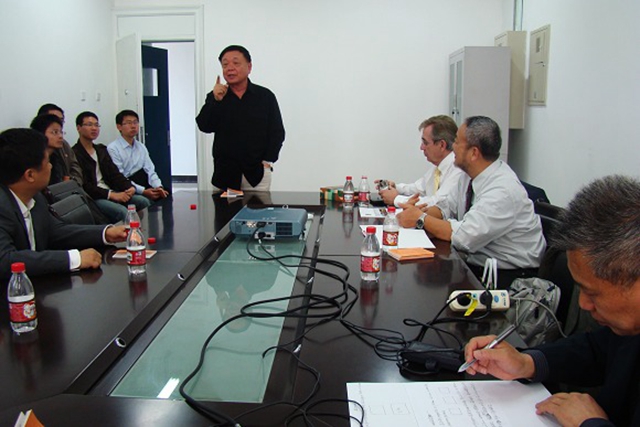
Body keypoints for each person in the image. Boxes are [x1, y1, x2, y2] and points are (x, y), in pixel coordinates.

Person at [462, 175, 640, 427]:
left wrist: (590, 424)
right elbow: (599, 350)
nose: (583, 304)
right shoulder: (628, 327)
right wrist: (528, 363)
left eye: (592, 293)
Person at [397, 116, 545, 288]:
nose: (452, 147)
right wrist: (415, 213)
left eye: (457, 142)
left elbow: (464, 237)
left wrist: (420, 219)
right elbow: (446, 207)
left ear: (474, 153)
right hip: (477, 265)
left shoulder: (502, 190)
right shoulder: (467, 176)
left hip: (510, 279)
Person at [0, 128, 127, 281]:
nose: (50, 167)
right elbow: (5, 260)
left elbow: (56, 232)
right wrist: (74, 259)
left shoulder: (35, 198)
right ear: (30, 175)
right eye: (47, 162)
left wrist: (105, 233)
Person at [196, 45, 285, 193]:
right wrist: (215, 100)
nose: (230, 68)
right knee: (222, 209)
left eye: (236, 63)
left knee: (259, 209)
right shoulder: (216, 96)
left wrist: (267, 161)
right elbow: (204, 126)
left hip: (257, 174)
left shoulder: (265, 96)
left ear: (249, 67)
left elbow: (277, 132)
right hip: (225, 174)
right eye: (225, 65)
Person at [72, 111, 150, 223]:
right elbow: (85, 186)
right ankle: (130, 233)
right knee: (123, 212)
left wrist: (129, 187)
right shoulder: (75, 153)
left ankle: (145, 231)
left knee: (143, 201)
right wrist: (111, 195)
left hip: (112, 190)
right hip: (94, 197)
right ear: (78, 128)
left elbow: (115, 174)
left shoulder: (101, 150)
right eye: (89, 125)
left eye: (96, 125)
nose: (94, 128)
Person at [377, 115, 464, 208]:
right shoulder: (437, 169)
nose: (421, 147)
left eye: (425, 143)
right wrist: (395, 187)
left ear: (441, 145)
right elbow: (418, 188)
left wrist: (396, 199)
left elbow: (438, 203)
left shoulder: (458, 170)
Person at [108, 110, 169, 201]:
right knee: (143, 201)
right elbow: (120, 177)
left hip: (144, 182)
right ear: (119, 126)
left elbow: (150, 170)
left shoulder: (141, 146)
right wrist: (143, 191)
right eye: (129, 123)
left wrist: (158, 187)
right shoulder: (113, 148)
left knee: (167, 193)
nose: (133, 126)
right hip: (127, 187)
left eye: (135, 122)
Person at [35, 103, 84, 185]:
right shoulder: (33, 151)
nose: (58, 122)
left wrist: (71, 181)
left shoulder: (63, 144)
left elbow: (75, 167)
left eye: (61, 120)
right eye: (53, 118)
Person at [29, 114, 68, 185]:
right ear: (40, 133)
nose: (60, 136)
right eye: (55, 132)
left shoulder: (56, 157)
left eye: (61, 132)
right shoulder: (33, 159)